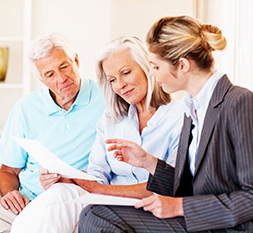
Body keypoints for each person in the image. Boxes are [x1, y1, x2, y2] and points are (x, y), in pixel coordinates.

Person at [78, 15, 253, 233]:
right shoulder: (193, 109)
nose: (151, 74)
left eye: (155, 67)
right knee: (95, 213)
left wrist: (179, 206)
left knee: (98, 215)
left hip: (224, 227)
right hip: (195, 222)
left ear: (182, 65)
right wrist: (149, 163)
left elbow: (251, 197)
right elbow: (189, 187)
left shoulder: (238, 102)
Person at [10, 36, 184, 233]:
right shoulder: (111, 120)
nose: (120, 85)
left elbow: (172, 184)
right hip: (106, 200)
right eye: (112, 80)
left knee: (70, 205)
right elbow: (97, 174)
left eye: (126, 73)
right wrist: (69, 180)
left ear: (147, 67)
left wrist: (100, 189)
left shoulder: (180, 118)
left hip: (151, 207)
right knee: (59, 191)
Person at [0, 33, 105, 233]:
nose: (62, 79)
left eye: (64, 66)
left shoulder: (105, 98)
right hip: (24, 194)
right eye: (50, 74)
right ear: (41, 79)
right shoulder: (26, 107)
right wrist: (10, 193)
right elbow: (9, 170)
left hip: (56, 198)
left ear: (76, 61)